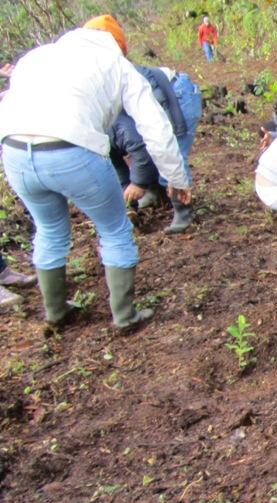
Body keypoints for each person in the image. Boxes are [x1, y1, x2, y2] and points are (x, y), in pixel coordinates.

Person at [0, 15, 190, 331]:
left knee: (49, 229)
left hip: (15, 152)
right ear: (118, 45)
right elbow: (155, 128)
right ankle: (125, 317)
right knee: (114, 229)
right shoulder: (117, 65)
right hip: (71, 149)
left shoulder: (36, 56)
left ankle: (56, 312)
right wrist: (177, 179)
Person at [111, 64, 203, 233]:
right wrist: (128, 195)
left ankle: (183, 210)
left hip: (177, 94)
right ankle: (156, 193)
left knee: (173, 152)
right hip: (153, 100)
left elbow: (142, 148)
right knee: (157, 152)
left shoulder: (116, 124)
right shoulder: (96, 131)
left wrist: (138, 183)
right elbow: (115, 163)